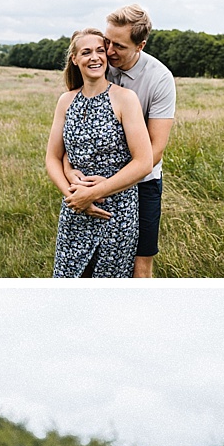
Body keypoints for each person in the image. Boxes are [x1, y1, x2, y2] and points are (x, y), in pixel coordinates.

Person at [47, 30, 154, 276]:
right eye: (86, 52)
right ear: (74, 59)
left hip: (115, 212)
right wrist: (74, 197)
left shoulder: (126, 99)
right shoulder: (66, 101)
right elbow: (52, 157)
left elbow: (144, 162)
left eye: (99, 50)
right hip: (75, 209)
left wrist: (94, 193)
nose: (94, 57)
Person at [99, 5, 176, 277]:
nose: (108, 52)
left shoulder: (160, 79)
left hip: (144, 183)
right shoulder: (99, 64)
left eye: (118, 46)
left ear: (140, 45)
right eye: (106, 41)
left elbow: (155, 149)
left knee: (139, 266)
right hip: (95, 176)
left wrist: (109, 185)